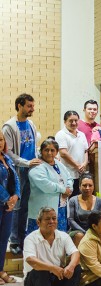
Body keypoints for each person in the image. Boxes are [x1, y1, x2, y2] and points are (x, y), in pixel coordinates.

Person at [3, 93, 41, 254]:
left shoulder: (31, 124)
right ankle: (14, 241)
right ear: (19, 106)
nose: (32, 109)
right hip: (18, 171)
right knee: (16, 206)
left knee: (26, 206)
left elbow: (33, 147)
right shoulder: (9, 127)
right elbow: (8, 152)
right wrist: (26, 162)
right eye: (29, 106)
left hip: (31, 170)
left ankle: (22, 237)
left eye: (33, 106)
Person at [23, 207, 81, 286]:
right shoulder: (30, 238)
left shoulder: (63, 236)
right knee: (41, 271)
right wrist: (52, 268)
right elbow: (31, 260)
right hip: (34, 281)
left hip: (57, 277)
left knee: (76, 268)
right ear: (38, 222)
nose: (51, 221)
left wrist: (71, 266)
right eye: (47, 219)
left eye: (54, 218)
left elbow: (75, 253)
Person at [28, 139, 73, 233]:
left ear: (57, 152)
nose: (49, 153)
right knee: (41, 240)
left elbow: (69, 177)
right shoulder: (37, 166)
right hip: (43, 210)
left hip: (61, 208)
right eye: (46, 150)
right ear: (41, 151)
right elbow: (45, 185)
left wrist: (69, 188)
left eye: (52, 150)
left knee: (59, 238)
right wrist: (63, 190)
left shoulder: (59, 164)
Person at [0, 130, 20, 285]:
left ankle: (1, 270)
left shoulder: (7, 158)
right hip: (3, 203)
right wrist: (8, 198)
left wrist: (16, 196)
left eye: (1, 139)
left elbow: (16, 178)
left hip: (8, 206)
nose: (0, 142)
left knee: (3, 238)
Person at [55, 111, 89, 196]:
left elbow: (86, 151)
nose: (74, 123)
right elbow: (63, 153)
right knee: (68, 198)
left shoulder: (82, 134)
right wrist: (77, 166)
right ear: (65, 121)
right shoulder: (61, 134)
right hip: (67, 174)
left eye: (76, 120)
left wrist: (84, 164)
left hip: (81, 174)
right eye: (71, 121)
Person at [68, 173, 101, 247]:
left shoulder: (100, 201)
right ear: (79, 187)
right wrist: (84, 232)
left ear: (93, 187)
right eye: (84, 185)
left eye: (90, 185)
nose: (87, 188)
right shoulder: (73, 200)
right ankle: (78, 258)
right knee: (79, 235)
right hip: (77, 230)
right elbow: (70, 219)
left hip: (94, 230)